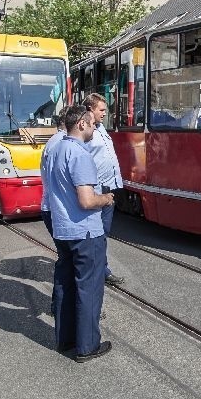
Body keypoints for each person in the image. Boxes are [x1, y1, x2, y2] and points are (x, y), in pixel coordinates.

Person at [46, 105, 114, 362]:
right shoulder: (79, 153)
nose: (96, 126)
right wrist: (106, 198)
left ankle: (65, 340)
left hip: (62, 229)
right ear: (82, 124)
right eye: (92, 123)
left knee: (65, 284)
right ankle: (87, 347)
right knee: (89, 288)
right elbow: (86, 201)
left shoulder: (55, 148)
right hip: (85, 231)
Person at [83, 93, 125, 286]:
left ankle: (101, 268)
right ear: (90, 109)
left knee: (103, 234)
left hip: (110, 188)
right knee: (96, 234)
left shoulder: (100, 129)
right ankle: (97, 272)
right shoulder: (86, 131)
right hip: (97, 190)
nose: (104, 113)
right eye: (101, 109)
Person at [40, 107, 69, 237]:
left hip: (53, 208)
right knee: (69, 256)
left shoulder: (56, 140)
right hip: (58, 210)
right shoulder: (62, 142)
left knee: (67, 255)